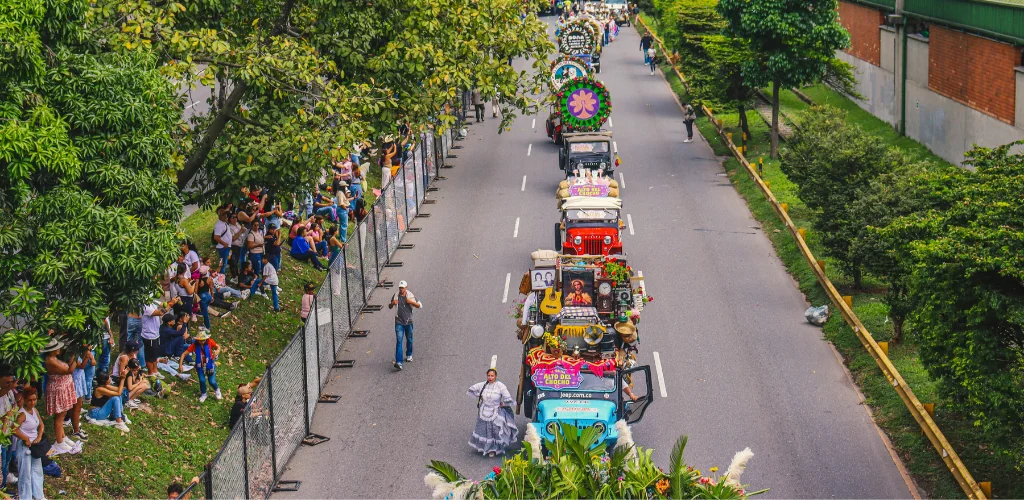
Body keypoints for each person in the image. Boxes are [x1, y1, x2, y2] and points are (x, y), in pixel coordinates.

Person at [466, 368, 518, 457]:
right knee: (484, 431)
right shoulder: (483, 385)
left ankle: (494, 449)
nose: (490, 377)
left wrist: (503, 404)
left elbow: (508, 398)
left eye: (492, 376)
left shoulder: (500, 386)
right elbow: (472, 389)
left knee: (495, 432)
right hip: (483, 411)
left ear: (496, 376)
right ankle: (485, 447)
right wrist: (480, 396)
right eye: (489, 376)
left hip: (495, 412)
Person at [42, 338, 80, 453]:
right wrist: (77, 356)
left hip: (63, 387)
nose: (59, 348)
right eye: (57, 347)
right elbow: (69, 370)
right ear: (52, 350)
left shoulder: (54, 358)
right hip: (59, 389)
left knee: (62, 415)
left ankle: (62, 437)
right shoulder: (51, 361)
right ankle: (59, 442)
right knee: (60, 416)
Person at [13, 387, 44, 500]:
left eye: (35, 399)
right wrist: (25, 438)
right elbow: (14, 429)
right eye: (30, 400)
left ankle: (38, 495)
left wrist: (39, 436)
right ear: (25, 400)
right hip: (24, 446)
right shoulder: (22, 414)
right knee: (25, 473)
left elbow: (41, 424)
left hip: (35, 445)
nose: (33, 402)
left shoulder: (35, 410)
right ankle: (25, 497)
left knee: (37, 470)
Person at [179, 330, 221, 403]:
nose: (202, 342)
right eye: (200, 340)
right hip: (200, 365)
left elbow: (218, 346)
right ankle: (204, 393)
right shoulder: (194, 346)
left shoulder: (210, 342)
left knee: (211, 381)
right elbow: (184, 354)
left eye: (203, 340)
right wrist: (180, 365)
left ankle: (217, 390)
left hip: (210, 364)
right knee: (202, 380)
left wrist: (217, 351)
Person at [388, 280, 421, 371]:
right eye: (400, 288)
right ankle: (399, 362)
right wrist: (392, 304)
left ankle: (409, 354)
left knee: (409, 339)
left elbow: (419, 305)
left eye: (402, 288)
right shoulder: (395, 296)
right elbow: (389, 306)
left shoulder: (410, 295)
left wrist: (411, 302)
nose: (401, 289)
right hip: (399, 322)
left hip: (409, 322)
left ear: (406, 287)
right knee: (399, 341)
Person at [142, 299, 176, 380]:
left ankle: (155, 371)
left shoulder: (152, 301)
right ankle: (151, 373)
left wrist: (172, 301)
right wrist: (170, 305)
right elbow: (160, 312)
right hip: (149, 335)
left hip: (155, 334)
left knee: (155, 355)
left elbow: (164, 304)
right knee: (150, 356)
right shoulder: (145, 306)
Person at [0, 366, 18, 488]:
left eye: (12, 382)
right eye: (7, 382)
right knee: (2, 463)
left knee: (7, 459)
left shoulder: (9, 392)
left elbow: (14, 406)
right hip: (2, 435)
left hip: (9, 432)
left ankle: (5, 481)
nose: (10, 385)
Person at [212, 210, 234, 275]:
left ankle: (222, 275)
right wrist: (224, 244)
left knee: (224, 262)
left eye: (226, 215)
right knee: (222, 263)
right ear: (219, 216)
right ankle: (221, 277)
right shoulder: (219, 225)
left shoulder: (224, 223)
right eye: (223, 215)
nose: (225, 216)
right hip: (223, 248)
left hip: (226, 248)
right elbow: (216, 237)